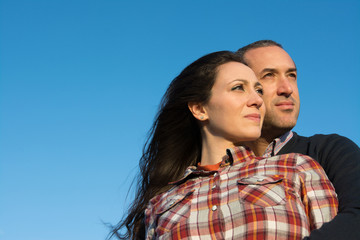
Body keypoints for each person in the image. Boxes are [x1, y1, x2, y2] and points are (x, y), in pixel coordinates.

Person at [109, 51, 338, 239]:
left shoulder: (297, 168)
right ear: (200, 108)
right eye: (239, 87)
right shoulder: (160, 206)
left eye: (258, 90)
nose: (258, 100)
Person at [236, 40, 360, 240]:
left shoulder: (330, 150)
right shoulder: (213, 171)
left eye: (292, 76)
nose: (287, 88)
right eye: (269, 76)